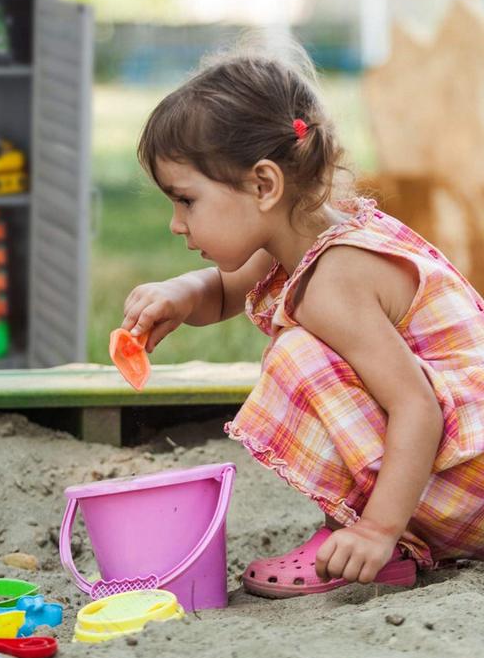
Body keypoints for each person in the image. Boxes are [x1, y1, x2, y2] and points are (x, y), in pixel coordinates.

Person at [121, 44, 484, 598]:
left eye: (186, 201)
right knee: (305, 348)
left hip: (468, 481)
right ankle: (375, 526)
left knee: (298, 355)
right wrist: (178, 294)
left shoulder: (335, 281)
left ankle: (376, 539)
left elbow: (418, 406)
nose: (176, 224)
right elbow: (221, 292)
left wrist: (378, 531)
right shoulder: (307, 235)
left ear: (264, 185)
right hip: (461, 471)